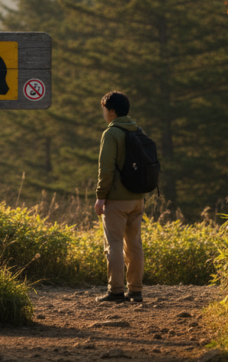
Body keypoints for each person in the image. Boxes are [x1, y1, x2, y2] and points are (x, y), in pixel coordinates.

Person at [94, 90, 145, 303]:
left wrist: (100, 196)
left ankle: (115, 291)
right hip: (137, 197)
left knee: (113, 243)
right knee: (134, 244)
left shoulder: (111, 133)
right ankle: (136, 290)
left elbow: (105, 168)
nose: (104, 114)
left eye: (105, 110)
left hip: (117, 199)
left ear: (112, 111)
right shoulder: (137, 130)